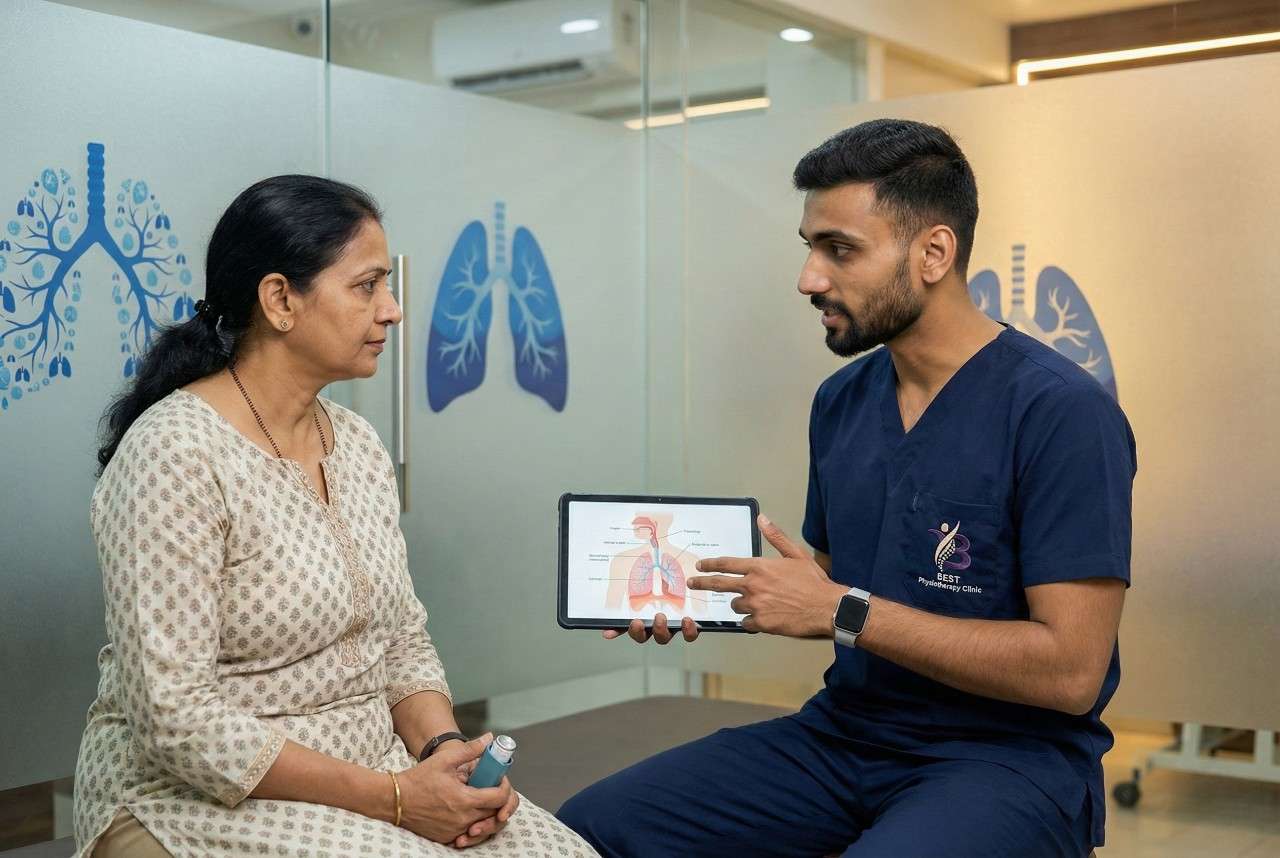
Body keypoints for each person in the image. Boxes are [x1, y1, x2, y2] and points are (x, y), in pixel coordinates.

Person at [558, 119, 1136, 858]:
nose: (809, 278)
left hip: (1009, 758)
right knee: (589, 828)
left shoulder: (1061, 413)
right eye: (809, 246)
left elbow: (1071, 673)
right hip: (844, 734)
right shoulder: (843, 400)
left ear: (933, 253)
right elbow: (841, 585)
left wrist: (842, 610)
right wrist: (700, 595)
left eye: (840, 250)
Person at [74, 175, 596, 858]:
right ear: (281, 299)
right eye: (367, 286)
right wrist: (400, 800)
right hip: (196, 794)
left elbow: (401, 640)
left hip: (375, 768)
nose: (394, 311)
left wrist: (444, 757)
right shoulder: (175, 453)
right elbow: (176, 720)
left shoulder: (354, 443)